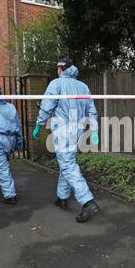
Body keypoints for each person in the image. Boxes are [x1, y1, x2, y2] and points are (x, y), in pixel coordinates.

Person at [33, 57, 100, 223]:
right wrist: (94, 130)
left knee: (67, 164)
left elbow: (47, 105)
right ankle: (62, 197)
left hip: (63, 130)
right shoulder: (83, 87)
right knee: (67, 162)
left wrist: (39, 124)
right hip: (78, 131)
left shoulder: (56, 84)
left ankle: (87, 201)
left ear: (60, 69)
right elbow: (92, 110)